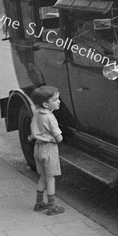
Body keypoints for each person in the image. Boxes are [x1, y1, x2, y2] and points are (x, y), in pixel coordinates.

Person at [29, 85, 65, 216]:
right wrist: (57, 138)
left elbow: (33, 131)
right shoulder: (50, 118)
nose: (59, 101)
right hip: (49, 150)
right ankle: (51, 206)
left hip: (37, 148)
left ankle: (39, 203)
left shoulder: (37, 113)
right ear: (46, 104)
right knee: (51, 179)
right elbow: (59, 138)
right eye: (55, 100)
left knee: (42, 177)